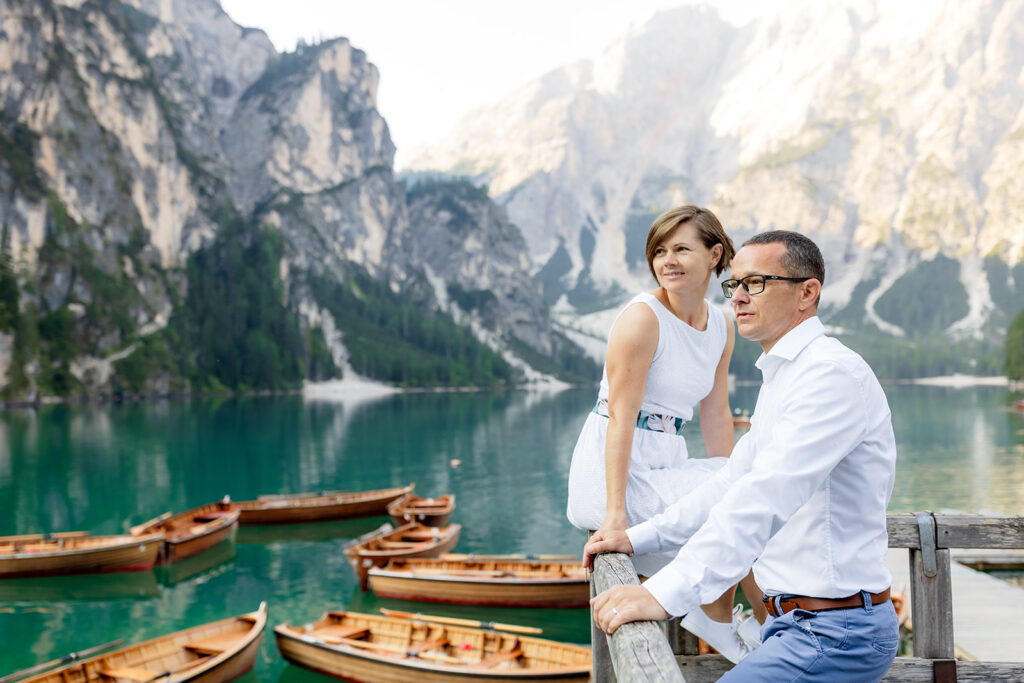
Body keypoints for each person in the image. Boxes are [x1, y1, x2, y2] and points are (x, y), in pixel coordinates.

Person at [584, 230, 900, 681]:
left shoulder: (831, 375)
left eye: (756, 283)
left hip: (836, 631)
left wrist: (663, 595)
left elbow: (763, 498)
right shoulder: (785, 377)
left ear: (807, 293)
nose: (738, 298)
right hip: (793, 625)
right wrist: (639, 538)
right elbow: (731, 482)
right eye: (734, 285)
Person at [566, 205, 762, 661]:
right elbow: (620, 417)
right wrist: (614, 515)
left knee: (748, 488)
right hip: (613, 470)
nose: (667, 260)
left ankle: (726, 615)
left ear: (715, 255)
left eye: (681, 249)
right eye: (659, 251)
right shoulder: (642, 319)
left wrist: (731, 472)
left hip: (663, 459)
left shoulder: (721, 325)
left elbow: (715, 415)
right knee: (745, 498)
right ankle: (754, 619)